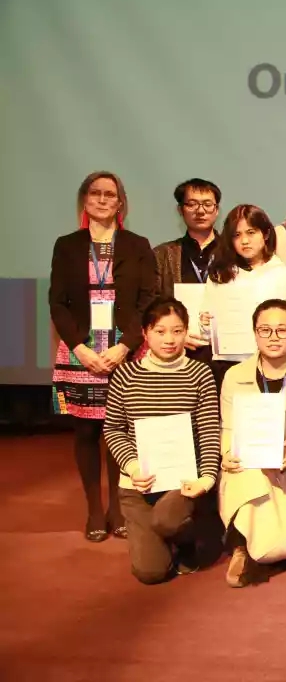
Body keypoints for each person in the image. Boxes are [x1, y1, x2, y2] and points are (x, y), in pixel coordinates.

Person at [50, 171, 157, 543]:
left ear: (120, 203)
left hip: (124, 349)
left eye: (109, 194)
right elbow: (57, 303)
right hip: (80, 349)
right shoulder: (67, 245)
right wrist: (79, 347)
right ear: (84, 199)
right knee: (86, 431)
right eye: (94, 193)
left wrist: (124, 346)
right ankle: (95, 510)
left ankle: (117, 508)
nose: (101, 199)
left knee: (120, 429)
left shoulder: (137, 244)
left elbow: (148, 300)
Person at [102, 298, 221, 583]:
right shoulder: (125, 375)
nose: (169, 339)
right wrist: (133, 468)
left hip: (183, 484)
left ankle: (186, 538)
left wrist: (206, 479)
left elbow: (208, 430)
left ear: (186, 332)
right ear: (145, 333)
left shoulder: (199, 373)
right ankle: (165, 540)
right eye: (160, 331)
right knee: (150, 572)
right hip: (139, 485)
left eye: (177, 331)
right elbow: (114, 429)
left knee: (167, 519)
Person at [218, 299, 286, 587]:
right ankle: (242, 547)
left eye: (282, 330)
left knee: (284, 544)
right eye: (265, 330)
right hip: (251, 468)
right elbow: (228, 427)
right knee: (243, 477)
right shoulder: (235, 376)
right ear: (254, 333)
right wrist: (227, 451)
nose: (273, 337)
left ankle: (259, 552)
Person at [200, 205, 286, 385]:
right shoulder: (219, 274)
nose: (244, 241)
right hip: (227, 362)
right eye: (237, 235)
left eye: (251, 232)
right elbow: (206, 325)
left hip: (272, 364)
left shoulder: (283, 275)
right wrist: (205, 324)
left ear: (266, 234)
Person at [152, 178, 221, 371]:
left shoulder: (233, 253)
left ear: (217, 209)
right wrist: (176, 335)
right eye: (192, 204)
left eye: (207, 204)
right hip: (176, 356)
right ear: (180, 209)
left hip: (226, 356)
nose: (200, 211)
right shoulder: (162, 255)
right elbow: (151, 303)